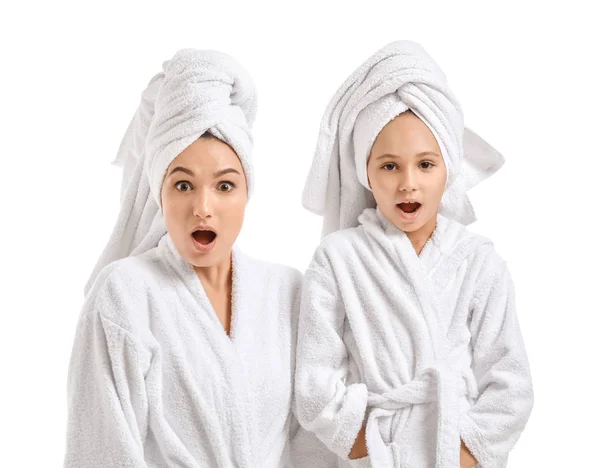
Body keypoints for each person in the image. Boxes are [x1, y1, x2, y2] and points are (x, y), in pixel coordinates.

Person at [64, 48, 333, 468]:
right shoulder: (124, 295)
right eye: (183, 185)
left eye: (224, 186)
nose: (202, 208)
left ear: (247, 193)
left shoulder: (288, 292)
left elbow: (313, 439)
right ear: (159, 192)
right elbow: (102, 450)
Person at [295, 40, 534, 468]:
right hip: (376, 453)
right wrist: (364, 443)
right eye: (389, 165)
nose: (408, 183)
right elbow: (315, 379)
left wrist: (462, 451)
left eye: (426, 164)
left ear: (449, 169)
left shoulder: (479, 260)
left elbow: (511, 383)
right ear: (365, 171)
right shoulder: (337, 258)